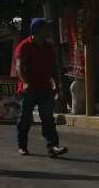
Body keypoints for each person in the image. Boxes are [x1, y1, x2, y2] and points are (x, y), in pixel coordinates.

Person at [15, 18, 68, 157]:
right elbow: (19, 67)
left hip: (45, 88)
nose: (49, 31)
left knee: (48, 118)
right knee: (25, 119)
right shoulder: (24, 46)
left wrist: (57, 82)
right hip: (29, 89)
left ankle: (53, 146)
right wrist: (25, 82)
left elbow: (53, 67)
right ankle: (22, 146)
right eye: (46, 29)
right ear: (37, 31)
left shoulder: (49, 46)